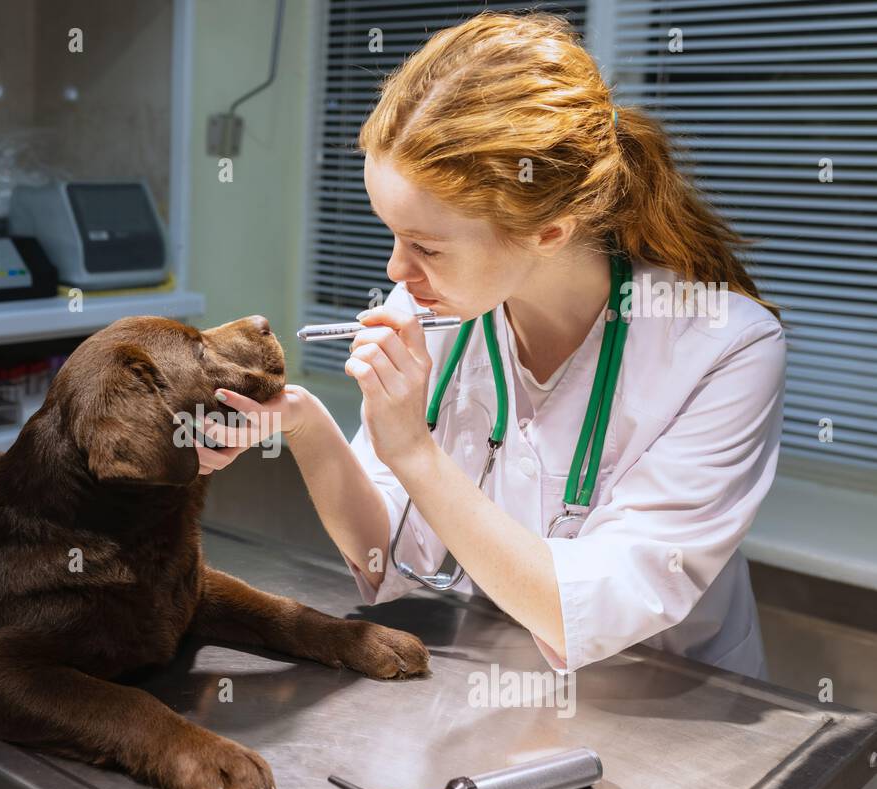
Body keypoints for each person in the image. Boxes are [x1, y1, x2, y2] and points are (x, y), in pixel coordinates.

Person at [198, 11, 786, 680]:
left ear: (549, 233)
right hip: (504, 681)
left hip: (675, 703)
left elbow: (585, 607)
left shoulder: (725, 348)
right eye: (392, 234)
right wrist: (302, 423)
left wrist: (415, 453)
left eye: (424, 245)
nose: (396, 271)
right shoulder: (440, 299)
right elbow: (380, 557)